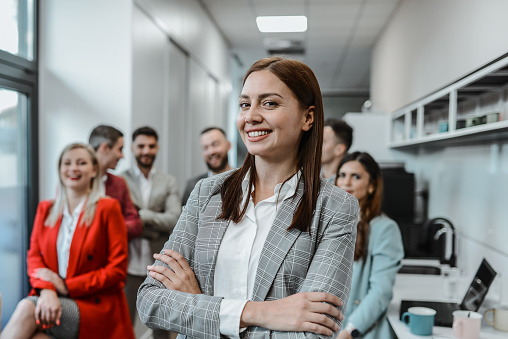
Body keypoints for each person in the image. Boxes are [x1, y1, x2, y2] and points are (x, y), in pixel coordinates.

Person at [137, 56, 359, 338]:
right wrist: (257, 313)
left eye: (269, 103)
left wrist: (199, 304)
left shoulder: (335, 208)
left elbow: (309, 334)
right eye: (245, 104)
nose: (251, 116)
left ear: (308, 117)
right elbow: (150, 302)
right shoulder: (207, 193)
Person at [0, 143, 134, 339]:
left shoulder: (108, 208)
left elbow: (117, 271)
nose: (73, 168)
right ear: (60, 169)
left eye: (81, 163)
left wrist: (65, 285)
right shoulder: (46, 208)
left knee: (28, 308)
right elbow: (34, 257)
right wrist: (48, 291)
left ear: (94, 170)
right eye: (67, 163)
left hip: (93, 306)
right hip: (54, 298)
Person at [334, 152, 404, 339]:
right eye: (342, 175)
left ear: (372, 186)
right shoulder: (331, 222)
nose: (346, 182)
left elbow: (380, 292)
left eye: (355, 177)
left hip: (358, 330)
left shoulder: (384, 228)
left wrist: (350, 330)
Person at [120, 126, 181, 338]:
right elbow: (118, 224)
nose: (146, 151)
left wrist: (142, 215)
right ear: (132, 148)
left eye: (151, 146)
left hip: (158, 266)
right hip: (127, 265)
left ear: (158, 148)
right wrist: (155, 226)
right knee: (125, 325)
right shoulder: (121, 181)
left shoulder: (168, 181)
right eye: (141, 146)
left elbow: (174, 218)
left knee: (161, 328)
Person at [88, 124, 142, 240]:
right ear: (104, 148)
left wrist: (109, 229)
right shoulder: (76, 182)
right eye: (120, 149)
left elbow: (135, 223)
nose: (122, 156)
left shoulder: (119, 183)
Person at [181, 127, 232, 205]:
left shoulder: (244, 180)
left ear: (228, 145)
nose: (211, 151)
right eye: (205, 148)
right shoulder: (193, 187)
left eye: (215, 145)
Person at [321, 118, 353, 183]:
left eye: (323, 142)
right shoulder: (308, 177)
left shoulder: (346, 184)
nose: (315, 146)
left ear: (339, 149)